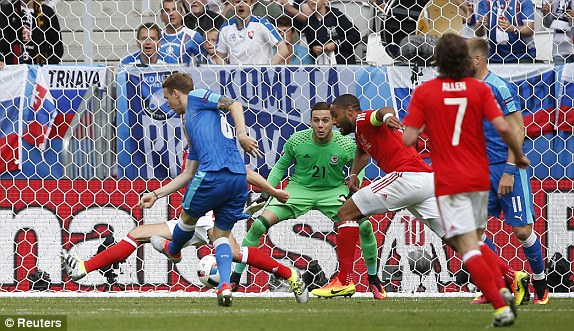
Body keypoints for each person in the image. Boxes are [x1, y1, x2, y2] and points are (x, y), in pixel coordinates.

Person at [403, 33, 530, 327]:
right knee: (476, 239)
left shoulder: (426, 92)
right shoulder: (479, 90)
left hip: (450, 178)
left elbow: (410, 137)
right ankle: (502, 286)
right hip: (479, 175)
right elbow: (503, 126)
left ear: (438, 61)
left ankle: (501, 304)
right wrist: (518, 157)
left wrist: (423, 123)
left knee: (466, 245)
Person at [61, 169, 309, 304]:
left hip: (209, 213)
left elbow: (245, 172)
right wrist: (157, 195)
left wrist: (272, 191)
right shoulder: (194, 147)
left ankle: (290, 275)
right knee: (137, 234)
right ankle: (83, 267)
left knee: (233, 252)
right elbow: (187, 177)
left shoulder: (215, 144)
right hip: (191, 215)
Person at [230, 102, 387, 300]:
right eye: (316, 120)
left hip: (333, 192)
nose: (320, 125)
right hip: (298, 191)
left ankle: (373, 279)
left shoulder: (346, 144)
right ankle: (235, 277)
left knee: (364, 227)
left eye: (325, 120)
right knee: (258, 226)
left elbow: (361, 163)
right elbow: (280, 167)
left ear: (333, 121)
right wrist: (266, 192)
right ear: (310, 121)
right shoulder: (298, 140)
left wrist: (354, 182)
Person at [143, 72, 260, 307]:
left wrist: (242, 135)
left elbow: (234, 104)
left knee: (186, 219)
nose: (167, 104)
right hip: (237, 179)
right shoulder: (195, 125)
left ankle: (173, 249)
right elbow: (187, 174)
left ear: (177, 93)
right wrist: (156, 194)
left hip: (213, 175)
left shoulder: (195, 97)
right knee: (220, 236)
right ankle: (225, 286)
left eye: (167, 98)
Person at [467, 37, 549, 305]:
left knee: (523, 231)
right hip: (480, 171)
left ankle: (541, 285)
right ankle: (506, 283)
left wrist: (510, 170)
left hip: (506, 167)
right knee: (473, 234)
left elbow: (518, 129)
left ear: (477, 60)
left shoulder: (499, 88)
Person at [214, 0, 289, 65]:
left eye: (245, 2)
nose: (241, 5)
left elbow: (283, 50)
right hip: (237, 79)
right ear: (233, 5)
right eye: (237, 1)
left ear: (252, 5)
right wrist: (229, 72)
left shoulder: (261, 24)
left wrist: (267, 68)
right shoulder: (225, 28)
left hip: (260, 78)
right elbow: (219, 57)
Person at [0, 0, 63, 65]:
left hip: (38, 69)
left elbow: (57, 46)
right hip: (13, 70)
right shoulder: (6, 11)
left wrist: (47, 67)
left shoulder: (46, 12)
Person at [299, 0, 361, 65]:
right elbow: (311, 46)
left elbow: (355, 35)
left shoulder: (336, 16)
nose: (312, 1)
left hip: (344, 64)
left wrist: (336, 44)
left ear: (324, 1)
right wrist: (314, 49)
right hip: (322, 66)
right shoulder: (308, 23)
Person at [159, 0, 204, 66]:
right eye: (167, 10)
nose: (171, 14)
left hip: (186, 75)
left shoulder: (194, 36)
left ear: (183, 14)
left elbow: (204, 60)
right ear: (161, 17)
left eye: (175, 9)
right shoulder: (157, 37)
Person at [542, 0, 574, 65]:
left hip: (572, 48)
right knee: (559, 73)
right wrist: (546, 14)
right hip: (558, 50)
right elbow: (548, 24)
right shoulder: (555, 3)